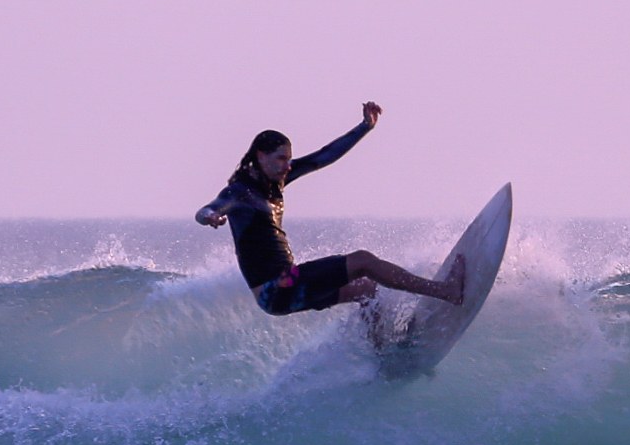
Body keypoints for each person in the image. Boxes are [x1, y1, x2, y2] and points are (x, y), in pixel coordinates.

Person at [196, 102, 463, 317]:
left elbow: (324, 156)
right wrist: (211, 217)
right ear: (261, 156)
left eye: (289, 159)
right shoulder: (240, 191)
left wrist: (365, 127)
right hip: (277, 289)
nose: (287, 166)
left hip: (285, 288)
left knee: (366, 290)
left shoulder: (276, 181)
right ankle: (445, 291)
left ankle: (383, 352)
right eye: (281, 159)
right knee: (363, 261)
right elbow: (207, 209)